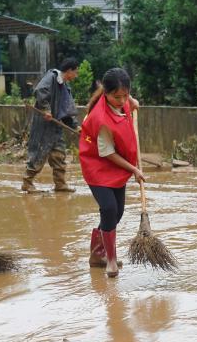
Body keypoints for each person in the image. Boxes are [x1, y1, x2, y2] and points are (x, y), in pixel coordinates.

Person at [78, 67, 144, 277]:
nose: (122, 100)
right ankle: (111, 261)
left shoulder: (121, 100)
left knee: (119, 212)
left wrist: (131, 101)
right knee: (108, 209)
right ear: (105, 93)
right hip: (97, 164)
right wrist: (134, 168)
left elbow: (126, 96)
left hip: (117, 166)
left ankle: (97, 254)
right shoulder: (100, 118)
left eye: (125, 95)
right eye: (117, 97)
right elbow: (106, 153)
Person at [23, 58, 80, 193]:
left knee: (59, 155)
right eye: (76, 72)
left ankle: (60, 184)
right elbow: (40, 91)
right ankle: (27, 182)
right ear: (69, 70)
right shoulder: (51, 77)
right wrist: (46, 109)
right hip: (44, 125)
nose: (76, 76)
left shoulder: (65, 86)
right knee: (39, 153)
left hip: (56, 126)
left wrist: (74, 125)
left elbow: (67, 108)